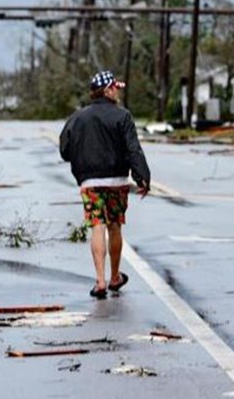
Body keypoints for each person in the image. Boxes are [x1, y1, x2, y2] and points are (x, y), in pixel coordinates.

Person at [59, 70, 151, 299]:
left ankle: (100, 281)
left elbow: (65, 150)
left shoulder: (78, 118)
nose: (118, 91)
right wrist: (142, 177)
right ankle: (115, 276)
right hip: (116, 181)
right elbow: (133, 150)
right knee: (115, 226)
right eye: (116, 87)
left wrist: (82, 159)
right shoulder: (123, 117)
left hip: (90, 182)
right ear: (107, 90)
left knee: (97, 225)